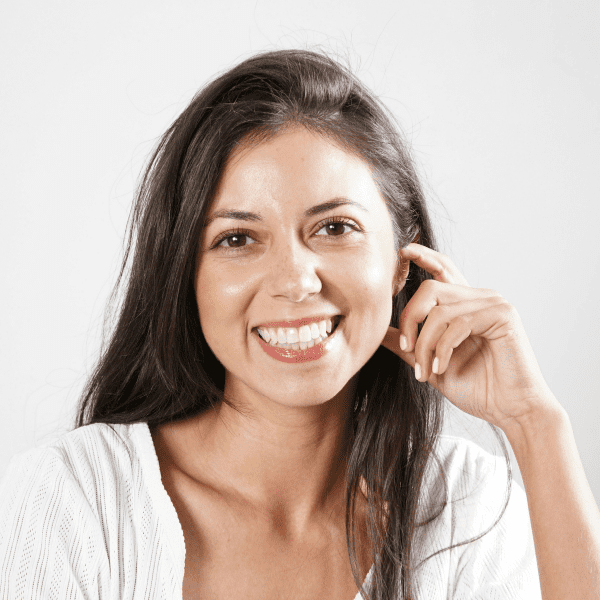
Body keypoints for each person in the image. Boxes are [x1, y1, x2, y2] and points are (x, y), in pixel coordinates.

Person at [0, 48, 598, 600]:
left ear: (402, 262)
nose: (295, 281)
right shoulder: (71, 502)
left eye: (335, 228)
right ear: (186, 275)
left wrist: (535, 423)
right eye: (238, 238)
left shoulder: (470, 508)